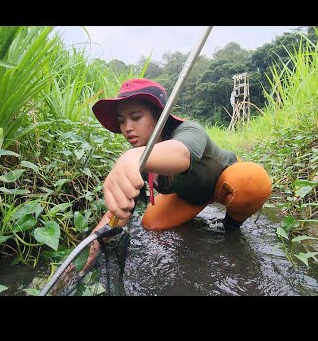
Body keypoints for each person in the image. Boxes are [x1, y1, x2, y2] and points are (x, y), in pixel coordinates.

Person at [81, 78, 272, 273]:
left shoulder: (188, 131)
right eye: (121, 121)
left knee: (251, 181)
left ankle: (231, 226)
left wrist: (132, 156)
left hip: (225, 182)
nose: (127, 127)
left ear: (159, 116)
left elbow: (182, 154)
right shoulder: (140, 159)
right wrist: (90, 249)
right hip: (191, 197)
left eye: (136, 117)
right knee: (151, 225)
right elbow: (119, 211)